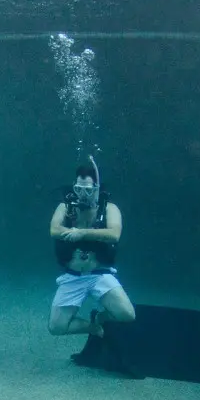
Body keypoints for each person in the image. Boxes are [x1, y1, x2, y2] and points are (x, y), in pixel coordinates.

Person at [47, 158, 139, 377]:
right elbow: (53, 229)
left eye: (87, 189)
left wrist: (83, 233)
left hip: (99, 275)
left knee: (127, 314)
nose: (82, 194)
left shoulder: (110, 208)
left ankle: (101, 317)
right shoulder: (66, 206)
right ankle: (94, 327)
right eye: (78, 188)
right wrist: (73, 229)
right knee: (56, 328)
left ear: (96, 187)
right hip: (73, 276)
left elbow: (114, 233)